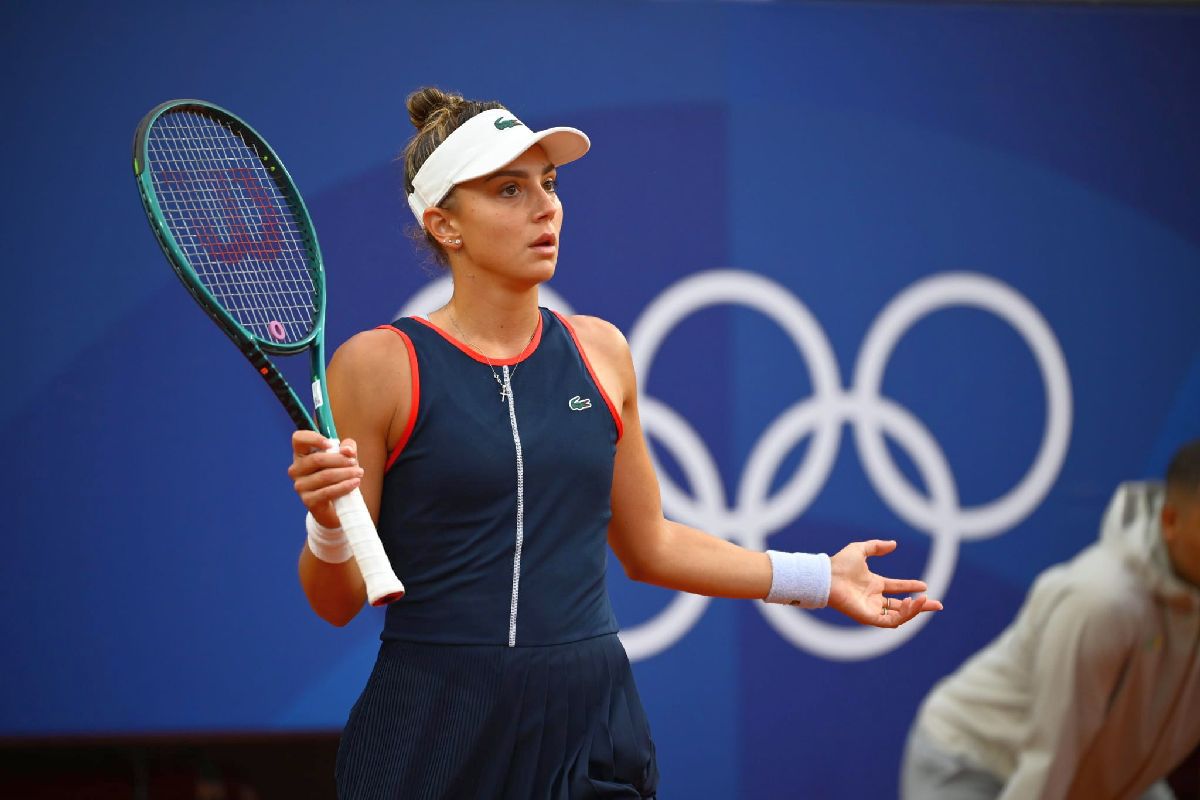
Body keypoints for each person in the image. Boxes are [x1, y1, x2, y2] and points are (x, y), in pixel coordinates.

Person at [288, 87, 943, 800]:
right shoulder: (378, 365)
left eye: (549, 183)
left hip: (590, 716)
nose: (546, 207)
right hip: (435, 719)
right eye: (509, 189)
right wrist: (328, 525)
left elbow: (651, 545)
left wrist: (820, 578)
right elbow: (337, 600)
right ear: (445, 225)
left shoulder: (602, 353)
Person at [901, 439, 1200, 800]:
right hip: (976, 764)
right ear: (1171, 521)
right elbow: (1049, 763)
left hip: (1100, 777)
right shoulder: (1102, 602)